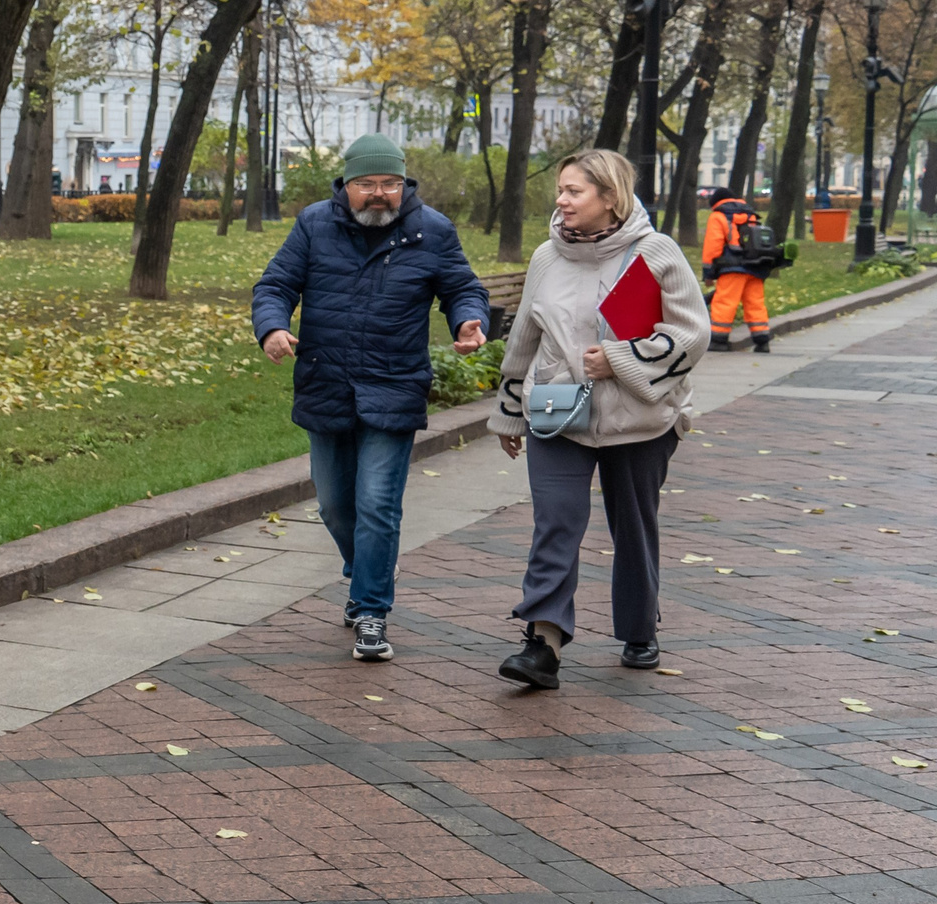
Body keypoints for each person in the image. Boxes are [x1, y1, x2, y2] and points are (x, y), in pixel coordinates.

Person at [251, 134, 489, 663]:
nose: (379, 194)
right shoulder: (315, 223)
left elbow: (463, 289)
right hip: (326, 382)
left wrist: (470, 320)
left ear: (404, 185)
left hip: (395, 382)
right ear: (347, 185)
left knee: (377, 504)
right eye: (367, 185)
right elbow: (274, 286)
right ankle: (367, 569)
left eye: (390, 184)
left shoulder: (434, 231)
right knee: (336, 507)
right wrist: (271, 327)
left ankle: (371, 611)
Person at [491, 148, 709, 686]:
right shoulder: (547, 257)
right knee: (555, 523)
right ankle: (542, 643)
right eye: (561, 190)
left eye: (574, 191)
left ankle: (639, 629)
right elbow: (524, 336)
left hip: (640, 419)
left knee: (632, 526)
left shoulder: (656, 254)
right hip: (557, 413)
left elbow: (692, 334)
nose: (561, 201)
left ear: (609, 199)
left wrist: (617, 360)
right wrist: (509, 415)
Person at [701, 191, 782, 352]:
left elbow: (713, 246)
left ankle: (719, 340)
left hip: (732, 268)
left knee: (724, 302)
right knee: (755, 303)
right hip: (755, 266)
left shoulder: (718, 216)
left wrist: (708, 274)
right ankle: (762, 340)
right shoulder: (750, 214)